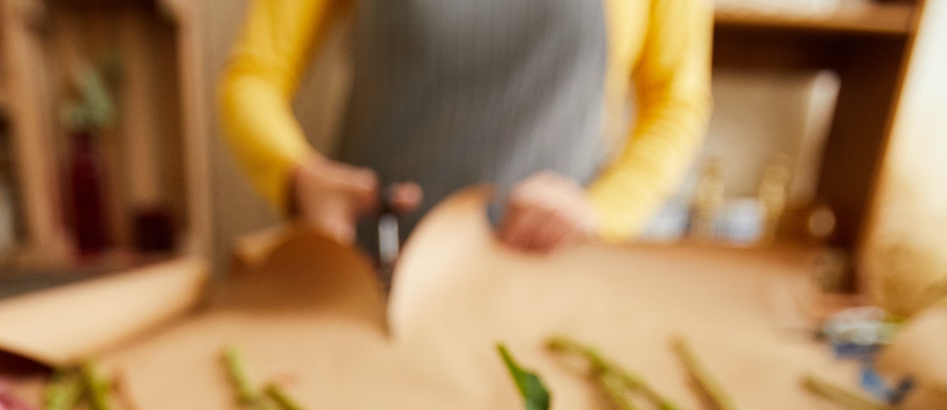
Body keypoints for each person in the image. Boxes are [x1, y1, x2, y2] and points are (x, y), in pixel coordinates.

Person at [219, 0, 712, 255]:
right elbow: (254, 75)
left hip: (552, 276)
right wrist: (296, 178)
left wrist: (602, 212)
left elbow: (676, 103)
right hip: (370, 277)